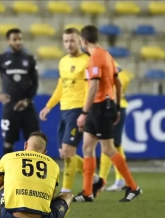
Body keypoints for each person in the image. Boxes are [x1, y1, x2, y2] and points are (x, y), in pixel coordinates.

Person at [74, 25, 142, 202]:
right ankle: (87, 192)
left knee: (108, 149)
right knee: (87, 147)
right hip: (105, 105)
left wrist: (84, 112)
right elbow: (118, 83)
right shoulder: (107, 55)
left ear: (84, 41)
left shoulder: (95, 58)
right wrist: (117, 106)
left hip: (100, 107)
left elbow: (94, 87)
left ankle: (133, 187)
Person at [39, 28, 104, 197]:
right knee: (64, 152)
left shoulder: (88, 60)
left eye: (72, 41)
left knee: (68, 151)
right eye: (66, 41)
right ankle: (96, 180)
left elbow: (94, 86)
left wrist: (86, 111)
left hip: (79, 109)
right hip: (64, 109)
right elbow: (61, 86)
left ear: (80, 41)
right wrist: (49, 106)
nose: (69, 44)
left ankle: (66, 190)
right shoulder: (62, 62)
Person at [0, 131, 73, 218]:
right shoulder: (53, 165)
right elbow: (50, 200)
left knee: (2, 184)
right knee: (68, 195)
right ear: (44, 152)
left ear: (25, 145)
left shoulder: (8, 158)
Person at [0, 28, 40, 155]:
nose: (18, 42)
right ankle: (6, 173)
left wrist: (27, 100)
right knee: (8, 141)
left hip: (27, 106)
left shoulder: (29, 59)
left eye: (20, 39)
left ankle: (33, 172)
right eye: (15, 39)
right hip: (10, 106)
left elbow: (35, 83)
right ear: (9, 41)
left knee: (35, 141)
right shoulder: (1, 58)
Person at [99, 63, 130, 191]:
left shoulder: (108, 64)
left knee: (109, 143)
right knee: (113, 144)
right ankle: (120, 179)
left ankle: (102, 179)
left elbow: (125, 78)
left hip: (114, 106)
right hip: (105, 107)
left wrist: (116, 93)